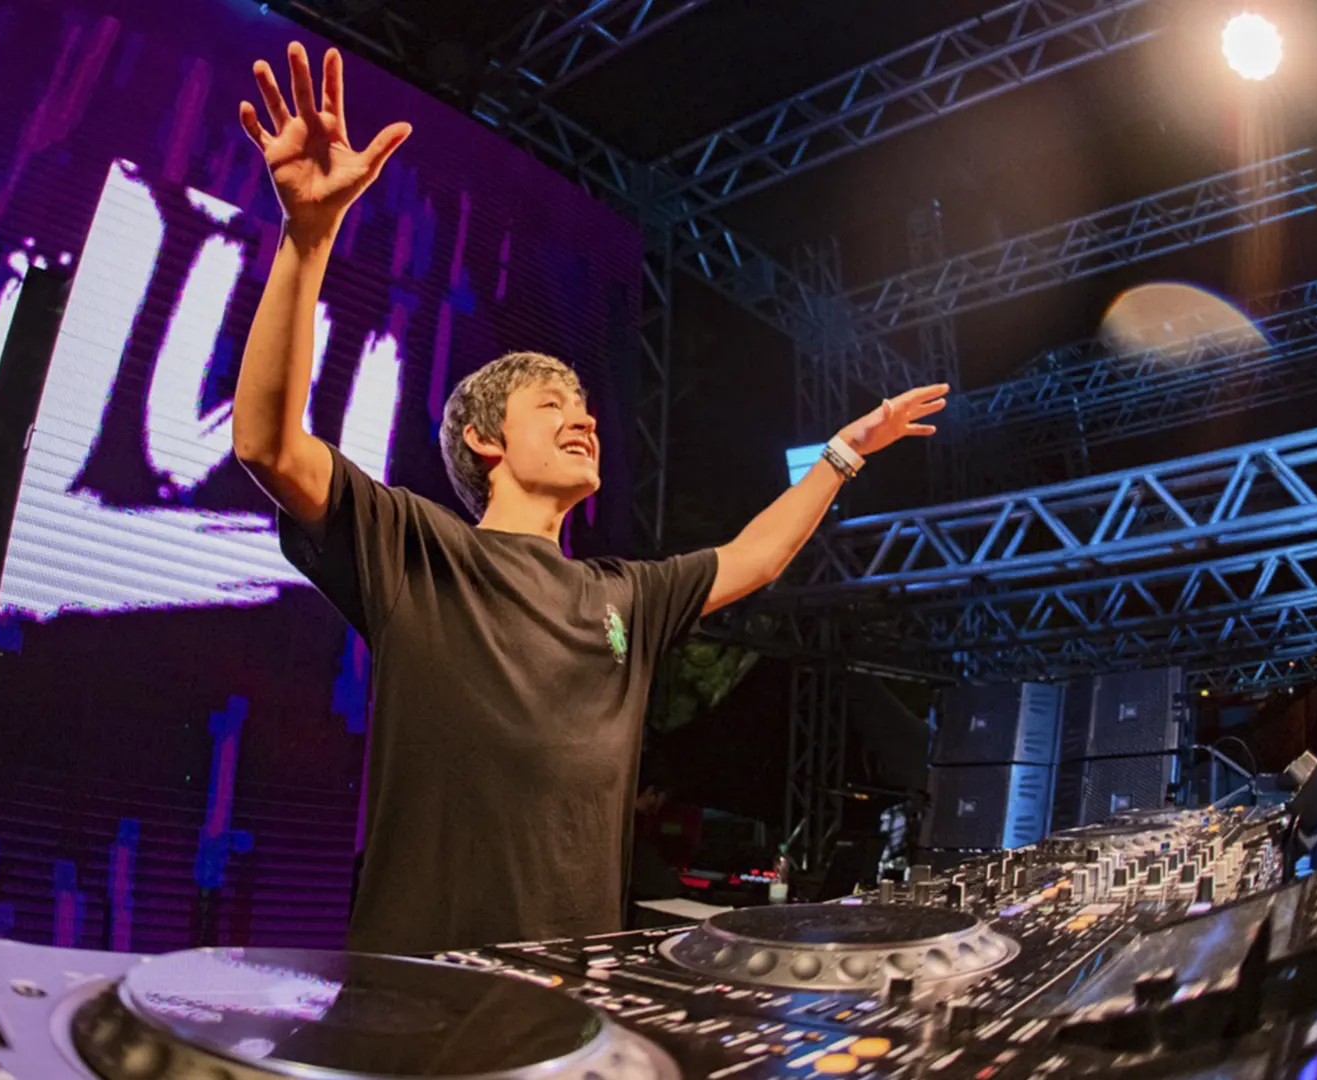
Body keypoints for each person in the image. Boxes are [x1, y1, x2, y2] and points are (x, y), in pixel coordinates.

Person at [231, 42, 949, 954]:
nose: (585, 419)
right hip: (421, 993)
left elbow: (756, 557)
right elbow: (267, 444)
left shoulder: (624, 596)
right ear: (485, 440)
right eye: (552, 405)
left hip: (573, 993)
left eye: (585, 406)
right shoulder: (417, 547)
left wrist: (845, 452)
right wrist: (308, 238)